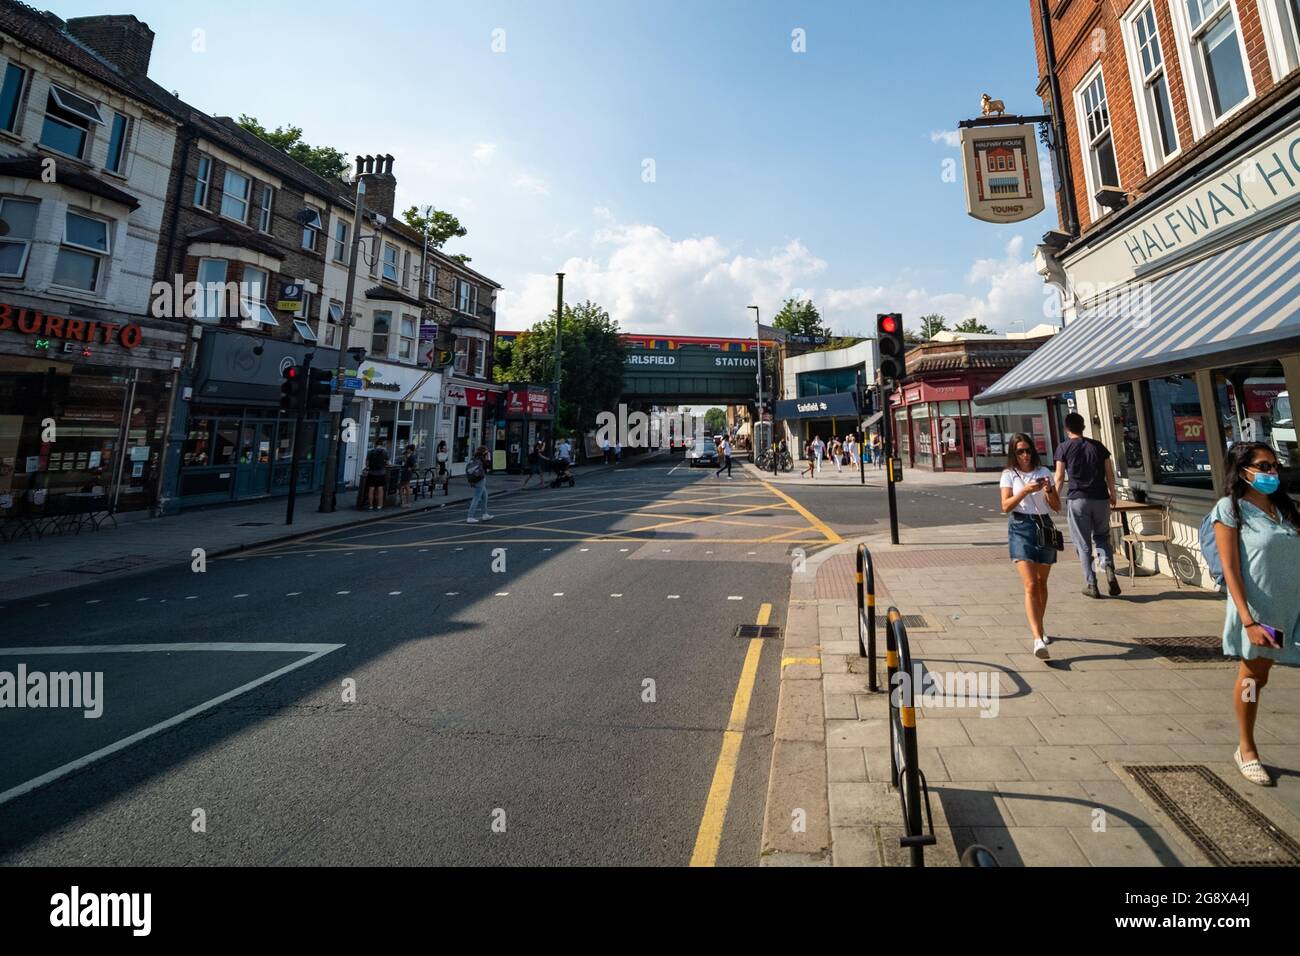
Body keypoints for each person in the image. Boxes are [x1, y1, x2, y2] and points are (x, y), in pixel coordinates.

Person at [1211, 442, 1300, 787]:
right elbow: (1230, 568)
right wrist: (1247, 620)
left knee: (1260, 675)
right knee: (1253, 678)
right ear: (1243, 470)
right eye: (1263, 467)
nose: (1271, 472)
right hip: (1263, 616)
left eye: (1274, 466)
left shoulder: (1285, 508)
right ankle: (1246, 748)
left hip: (1294, 612)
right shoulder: (1230, 510)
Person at [1000, 433, 1061, 660]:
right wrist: (1024, 491)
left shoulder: (1044, 472)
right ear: (1013, 454)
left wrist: (1048, 490)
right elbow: (1005, 506)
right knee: (1030, 584)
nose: (1025, 455)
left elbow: (1056, 507)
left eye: (1027, 450)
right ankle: (1037, 638)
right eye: (1019, 451)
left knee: (1042, 582)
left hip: (1044, 526)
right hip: (1020, 527)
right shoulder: (1008, 475)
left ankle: (1040, 626)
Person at [1053, 412, 1121, 598]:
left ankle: (1092, 584)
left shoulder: (1063, 447)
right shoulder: (1098, 446)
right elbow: (1109, 474)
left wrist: (1054, 497)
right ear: (1083, 426)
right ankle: (1107, 566)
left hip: (1078, 499)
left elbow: (1059, 477)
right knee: (1102, 537)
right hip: (1101, 498)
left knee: (1083, 544)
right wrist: (1113, 494)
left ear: (1066, 428)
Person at [465, 444, 493, 523]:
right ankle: (470, 516)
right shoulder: (482, 459)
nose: (487, 453)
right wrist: (489, 458)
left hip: (475, 479)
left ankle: (485, 514)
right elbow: (489, 466)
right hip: (480, 479)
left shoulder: (474, 458)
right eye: (487, 452)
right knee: (477, 498)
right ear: (484, 452)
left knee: (485, 496)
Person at [364, 443, 389, 510]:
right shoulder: (385, 452)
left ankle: (370, 506)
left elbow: (367, 463)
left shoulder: (370, 452)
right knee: (380, 489)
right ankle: (379, 505)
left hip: (371, 473)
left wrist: (368, 467)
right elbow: (387, 463)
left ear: (375, 445)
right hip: (381, 473)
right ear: (382, 445)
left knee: (371, 489)